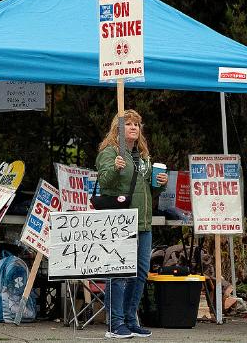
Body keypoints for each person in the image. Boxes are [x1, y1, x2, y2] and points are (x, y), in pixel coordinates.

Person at [95, 109, 167, 339]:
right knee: (118, 272)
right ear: (119, 128)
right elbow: (104, 183)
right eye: (129, 124)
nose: (134, 127)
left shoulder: (142, 155)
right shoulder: (110, 152)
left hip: (143, 221)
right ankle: (115, 323)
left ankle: (129, 319)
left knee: (141, 272)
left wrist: (160, 184)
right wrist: (115, 169)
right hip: (121, 220)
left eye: (137, 124)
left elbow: (147, 189)